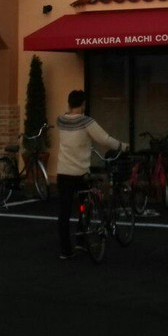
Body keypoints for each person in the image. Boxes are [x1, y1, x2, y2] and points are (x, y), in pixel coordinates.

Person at [56, 89, 128, 260]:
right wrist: (122, 146)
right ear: (83, 104)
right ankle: (81, 240)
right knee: (85, 207)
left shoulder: (61, 121)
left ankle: (66, 250)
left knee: (64, 212)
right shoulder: (87, 122)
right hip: (81, 173)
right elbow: (104, 139)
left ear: (69, 103)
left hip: (63, 172)